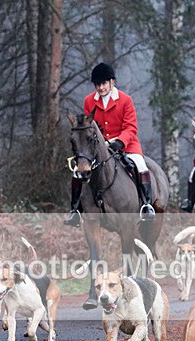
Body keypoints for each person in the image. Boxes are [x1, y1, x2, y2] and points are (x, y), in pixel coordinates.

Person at [64, 62, 154, 227]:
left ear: (112, 82)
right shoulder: (89, 101)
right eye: (97, 84)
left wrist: (119, 142)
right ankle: (75, 211)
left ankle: (147, 205)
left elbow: (131, 127)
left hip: (126, 145)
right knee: (78, 170)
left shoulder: (125, 100)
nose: (100, 87)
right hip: (99, 147)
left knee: (141, 164)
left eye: (104, 83)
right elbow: (87, 127)